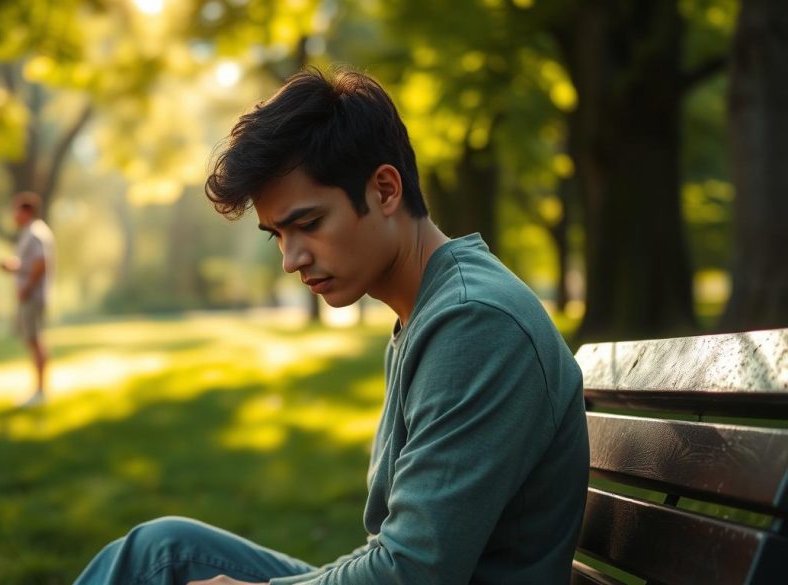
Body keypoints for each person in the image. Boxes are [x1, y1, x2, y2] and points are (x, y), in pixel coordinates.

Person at [73, 68, 590, 585]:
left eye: (309, 224)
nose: (291, 259)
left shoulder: (475, 323)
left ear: (385, 190)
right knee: (161, 550)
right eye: (276, 234)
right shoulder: (433, 309)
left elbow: (411, 572)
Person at [0, 191, 54, 407]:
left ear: (26, 211)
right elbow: (31, 263)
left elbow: (41, 263)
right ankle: (38, 388)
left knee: (35, 339)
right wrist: (13, 267)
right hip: (31, 294)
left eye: (16, 210)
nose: (13, 215)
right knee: (32, 339)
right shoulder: (30, 233)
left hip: (33, 296)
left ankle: (40, 390)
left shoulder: (36, 233)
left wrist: (27, 287)